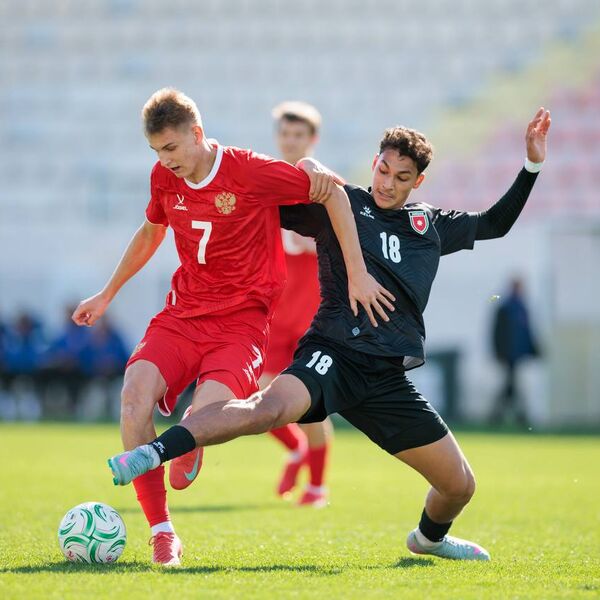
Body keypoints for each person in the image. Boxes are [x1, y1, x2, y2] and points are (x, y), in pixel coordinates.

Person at [108, 107, 551, 562]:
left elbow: (494, 224)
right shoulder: (343, 205)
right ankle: (155, 452)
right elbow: (259, 195)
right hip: (333, 355)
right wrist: (306, 166)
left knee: (459, 486)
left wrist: (532, 164)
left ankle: (428, 540)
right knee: (268, 408)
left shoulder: (430, 225)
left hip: (386, 377)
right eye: (383, 169)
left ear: (418, 182)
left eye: (401, 177)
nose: (387, 183)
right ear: (374, 162)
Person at [73, 88, 393, 566]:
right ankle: (162, 532)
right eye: (156, 151)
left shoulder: (249, 171)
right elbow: (152, 231)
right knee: (134, 394)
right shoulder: (164, 176)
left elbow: (334, 194)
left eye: (171, 148)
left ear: (197, 134)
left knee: (207, 416)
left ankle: (201, 438)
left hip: (241, 324)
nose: (165, 160)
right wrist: (107, 293)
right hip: (183, 313)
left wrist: (358, 272)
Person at [264, 101, 333, 507]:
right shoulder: (265, 182)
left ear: (313, 139)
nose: (291, 141)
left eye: (299, 135)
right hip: (273, 315)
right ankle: (296, 450)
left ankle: (317, 488)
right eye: (285, 134)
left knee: (312, 408)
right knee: (258, 402)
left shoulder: (325, 187)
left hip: (312, 317)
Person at [490, 277, 540, 426]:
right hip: (508, 354)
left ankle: (501, 415)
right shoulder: (505, 308)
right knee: (511, 385)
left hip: (518, 354)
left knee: (511, 385)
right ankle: (514, 415)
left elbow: (527, 332)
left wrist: (534, 350)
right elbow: (498, 332)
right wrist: (498, 352)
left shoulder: (522, 308)